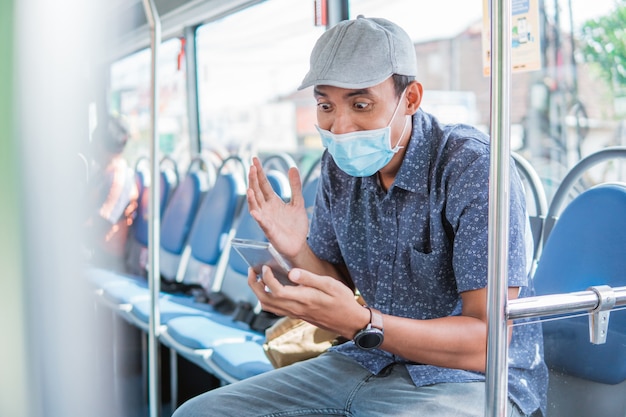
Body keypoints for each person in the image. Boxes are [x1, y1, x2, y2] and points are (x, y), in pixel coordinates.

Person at [173, 16, 547, 417]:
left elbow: (487, 342)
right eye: (325, 106)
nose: (341, 127)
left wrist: (365, 324)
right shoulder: (339, 169)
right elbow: (337, 287)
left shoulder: (472, 168)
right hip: (369, 360)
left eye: (360, 105)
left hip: (469, 380)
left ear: (411, 99)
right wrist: (296, 251)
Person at [84, 113, 138, 271]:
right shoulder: (104, 173)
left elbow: (102, 221)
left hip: (106, 256)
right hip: (95, 248)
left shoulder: (118, 178)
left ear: (100, 145)